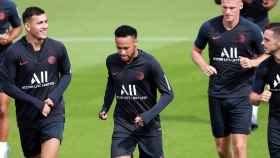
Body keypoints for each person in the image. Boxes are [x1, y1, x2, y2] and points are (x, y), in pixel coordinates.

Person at [191, 0, 267, 157]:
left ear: (240, 6)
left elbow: (266, 55)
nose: (227, 11)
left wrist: (252, 62)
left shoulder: (251, 30)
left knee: (239, 146)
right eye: (225, 7)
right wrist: (204, 65)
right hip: (217, 93)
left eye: (232, 8)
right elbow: (195, 50)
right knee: (221, 149)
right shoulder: (208, 27)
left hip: (242, 94)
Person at [2, 6, 71, 158]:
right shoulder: (13, 53)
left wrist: (53, 98)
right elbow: (7, 85)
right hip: (28, 117)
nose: (45, 26)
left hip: (53, 114)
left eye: (46, 21)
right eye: (39, 23)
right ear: (27, 26)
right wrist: (37, 103)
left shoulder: (57, 47)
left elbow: (66, 74)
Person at [99, 25, 174, 158]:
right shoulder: (111, 61)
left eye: (126, 48)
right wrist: (106, 106)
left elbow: (168, 94)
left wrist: (147, 116)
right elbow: (112, 83)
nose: (122, 52)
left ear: (135, 43)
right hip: (123, 124)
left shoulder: (150, 63)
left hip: (149, 126)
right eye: (118, 48)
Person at [215, 0, 278, 131]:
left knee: (261, 63)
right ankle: (238, 110)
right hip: (236, 23)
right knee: (234, 64)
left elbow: (269, 3)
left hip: (259, 22)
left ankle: (252, 114)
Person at [250, 23, 280, 158]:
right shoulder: (264, 66)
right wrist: (260, 97)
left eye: (267, 40)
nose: (262, 43)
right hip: (276, 122)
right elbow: (252, 97)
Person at [0, 0, 22, 157]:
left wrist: (9, 38)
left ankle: (2, 149)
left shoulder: (8, 5)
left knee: (2, 109)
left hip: (3, 60)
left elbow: (17, 27)